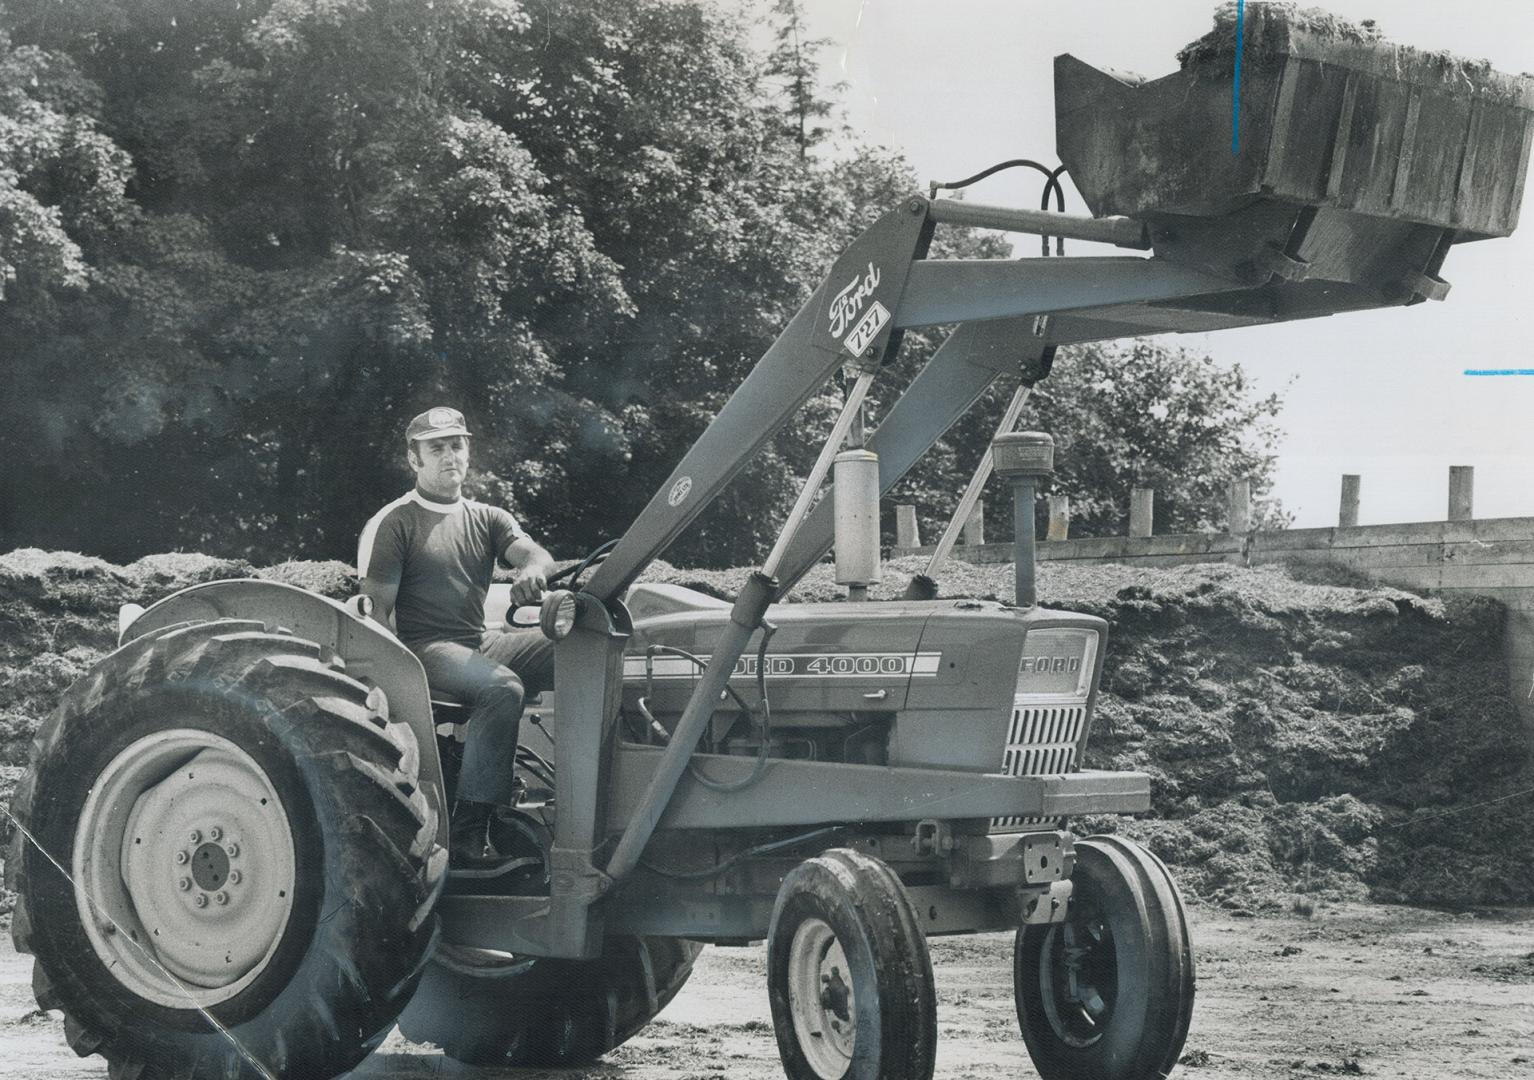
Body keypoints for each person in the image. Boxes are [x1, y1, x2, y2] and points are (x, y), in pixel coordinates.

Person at [357, 406, 556, 869]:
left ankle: (579, 808)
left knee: (580, 648)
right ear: (415, 459)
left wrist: (531, 569)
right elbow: (377, 617)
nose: (450, 456)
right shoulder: (396, 522)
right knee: (501, 688)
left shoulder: (487, 516)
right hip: (421, 649)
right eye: (437, 447)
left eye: (457, 445)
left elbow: (536, 554)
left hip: (475, 641)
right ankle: (471, 836)